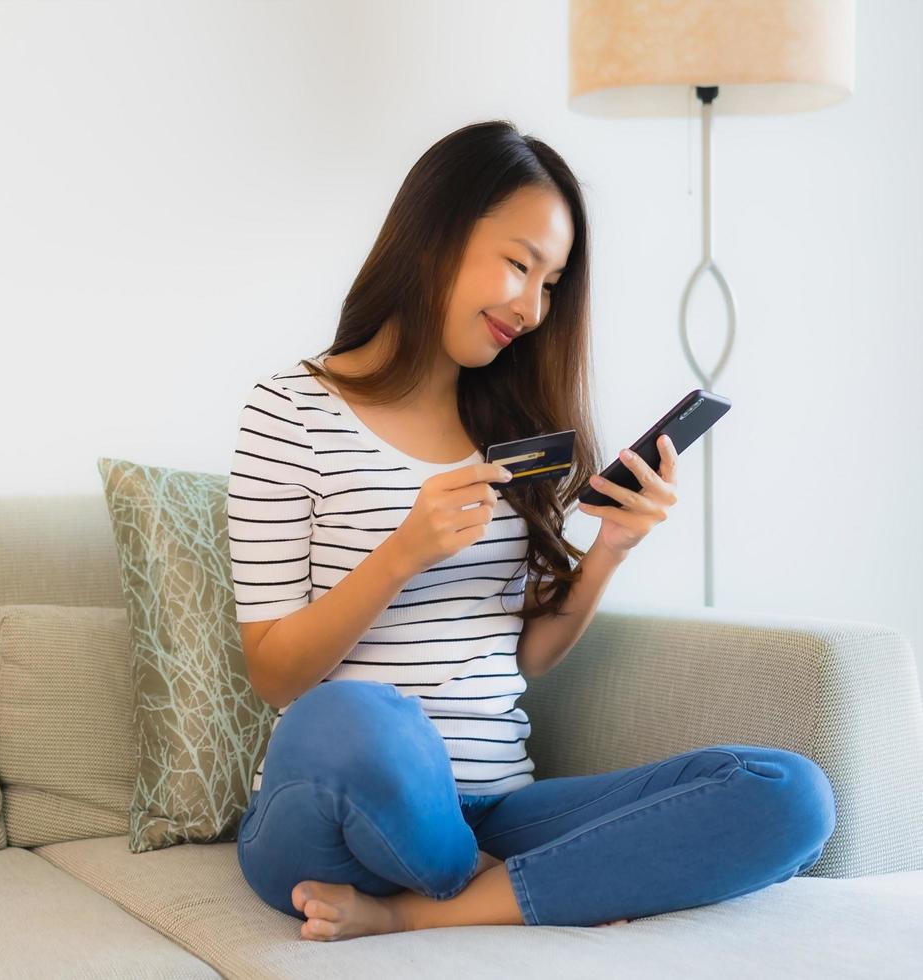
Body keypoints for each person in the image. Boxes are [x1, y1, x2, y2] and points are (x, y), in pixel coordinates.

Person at [226, 119, 836, 940]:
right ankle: (518, 889)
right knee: (360, 717)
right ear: (434, 232)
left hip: (498, 806)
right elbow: (276, 677)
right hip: (327, 811)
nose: (531, 305)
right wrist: (403, 555)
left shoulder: (515, 431)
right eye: (519, 264)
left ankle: (408, 913)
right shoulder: (289, 411)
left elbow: (527, 655)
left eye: (550, 284)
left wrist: (609, 553)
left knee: (787, 792)